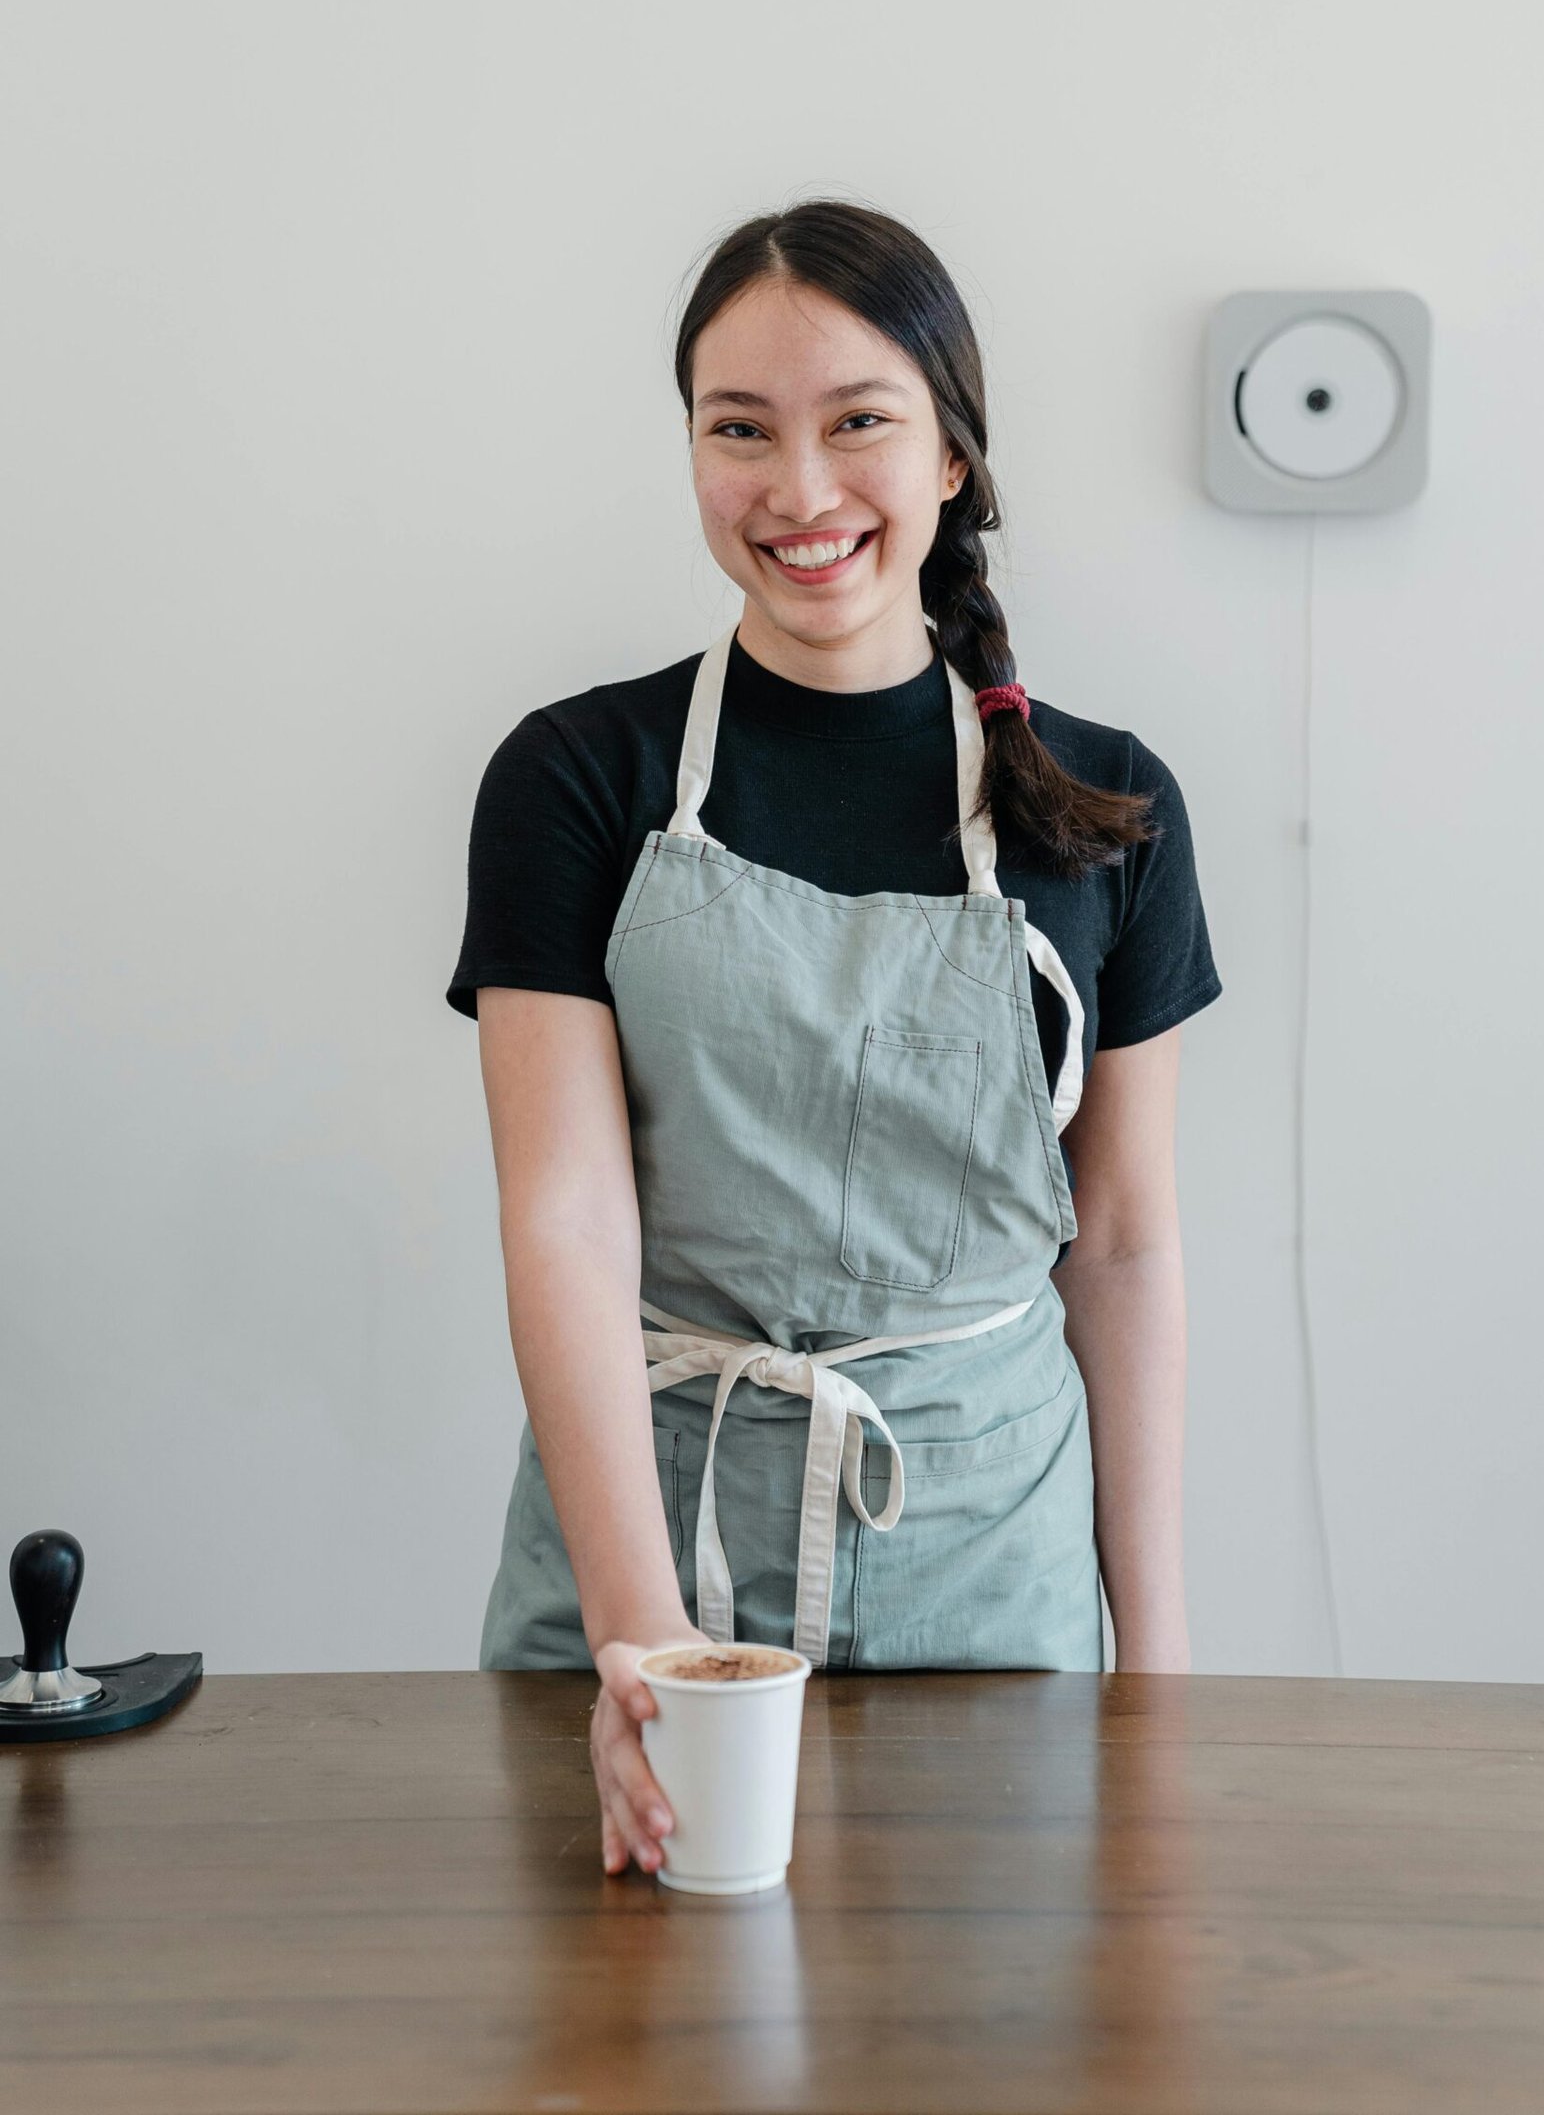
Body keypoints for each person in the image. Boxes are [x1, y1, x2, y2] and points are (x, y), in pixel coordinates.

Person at [447, 199, 1223, 1877]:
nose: (797, 493)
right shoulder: (577, 779)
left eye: (857, 421)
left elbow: (1130, 1249)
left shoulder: (1108, 804)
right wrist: (642, 1645)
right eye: (740, 431)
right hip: (653, 1546)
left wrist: (1156, 1680)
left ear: (951, 453)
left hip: (989, 1573)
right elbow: (566, 1218)